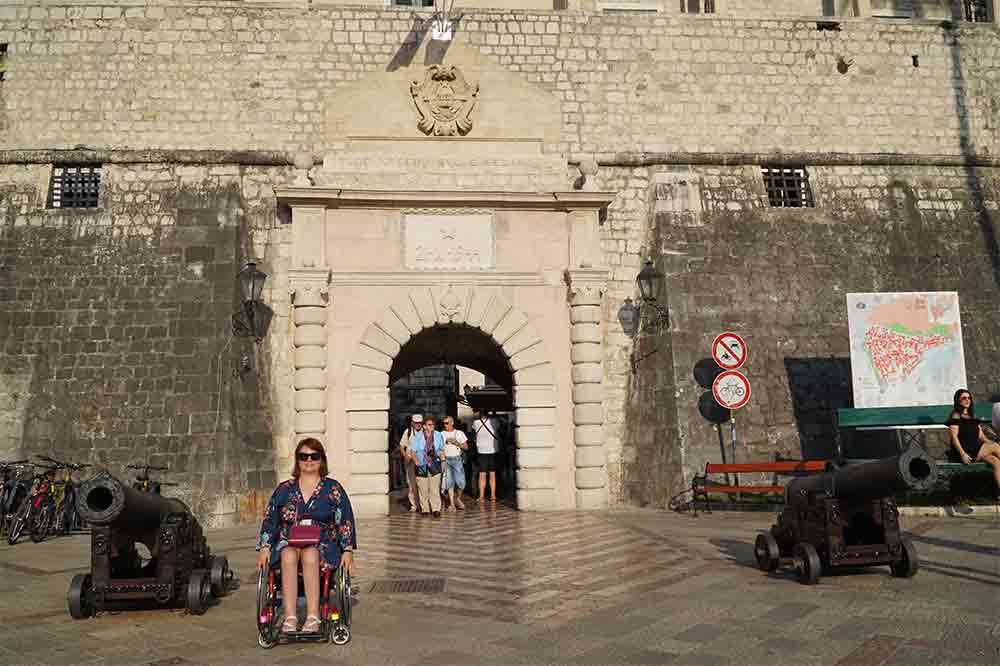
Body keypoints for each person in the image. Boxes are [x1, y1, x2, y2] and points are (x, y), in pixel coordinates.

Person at [256, 438, 356, 634]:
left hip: (322, 543)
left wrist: (348, 550)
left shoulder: (332, 489)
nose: (308, 460)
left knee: (310, 554)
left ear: (321, 459)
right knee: (287, 554)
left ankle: (312, 615)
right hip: (288, 540)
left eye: (314, 456)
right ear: (297, 460)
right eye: (303, 456)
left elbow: (345, 519)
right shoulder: (284, 489)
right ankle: (290, 616)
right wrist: (265, 547)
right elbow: (271, 519)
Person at [946, 389, 1000, 491]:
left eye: (969, 398)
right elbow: (954, 438)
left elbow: (981, 437)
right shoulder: (956, 415)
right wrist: (962, 454)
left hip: (976, 449)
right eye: (964, 398)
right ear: (958, 400)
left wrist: (991, 443)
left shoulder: (973, 416)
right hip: (964, 452)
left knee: (996, 461)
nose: (967, 400)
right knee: (995, 447)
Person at [408, 416, 445, 517]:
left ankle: (436, 509)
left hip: (434, 464)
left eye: (433, 424)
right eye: (429, 424)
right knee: (423, 488)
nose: (432, 426)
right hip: (421, 464)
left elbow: (441, 449)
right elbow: (413, 451)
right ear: (424, 426)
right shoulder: (418, 436)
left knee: (434, 488)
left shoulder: (438, 435)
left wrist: (443, 461)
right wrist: (416, 461)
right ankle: (425, 509)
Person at [441, 415, 469, 511]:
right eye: (444, 423)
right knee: (449, 482)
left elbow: (466, 447)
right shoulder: (441, 434)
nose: (445, 425)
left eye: (447, 423)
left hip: (457, 459)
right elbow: (439, 448)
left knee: (461, 482)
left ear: (452, 423)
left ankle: (458, 498)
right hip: (447, 460)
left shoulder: (459, 433)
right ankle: (452, 504)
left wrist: (455, 442)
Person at [473, 410, 500, 503]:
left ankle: (481, 496)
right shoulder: (495, 421)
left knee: (482, 474)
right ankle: (493, 496)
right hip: (493, 450)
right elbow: (499, 426)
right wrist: (494, 413)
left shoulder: (475, 423)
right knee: (492, 474)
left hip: (481, 451)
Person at [399, 414, 423, 512]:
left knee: (422, 483)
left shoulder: (425, 431)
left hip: (421, 461)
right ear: (412, 423)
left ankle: (422, 504)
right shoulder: (408, 432)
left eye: (419, 423)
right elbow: (401, 446)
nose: (418, 424)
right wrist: (405, 456)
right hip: (410, 461)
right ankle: (414, 504)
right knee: (411, 483)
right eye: (416, 423)